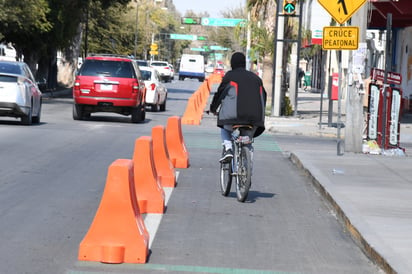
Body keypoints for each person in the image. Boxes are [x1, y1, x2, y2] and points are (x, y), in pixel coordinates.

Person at [210, 52, 267, 162]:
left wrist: (213, 108)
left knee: (225, 128)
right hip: (254, 119)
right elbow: (263, 97)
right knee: (248, 141)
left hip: (233, 118)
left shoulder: (230, 76)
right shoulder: (256, 79)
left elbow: (220, 94)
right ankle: (247, 169)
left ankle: (228, 149)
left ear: (232, 64)